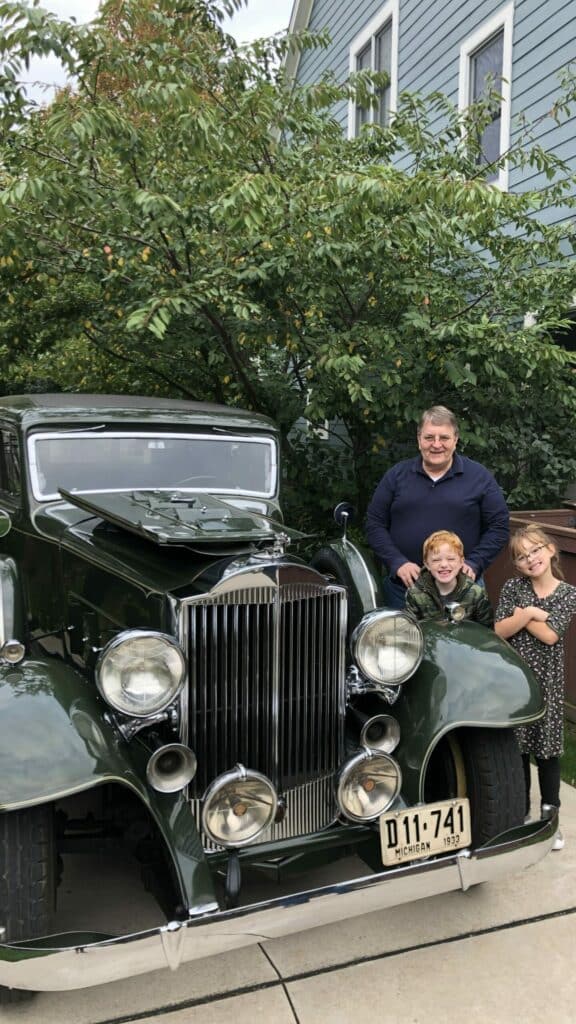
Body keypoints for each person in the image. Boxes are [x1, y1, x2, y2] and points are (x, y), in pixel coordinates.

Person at [366, 405, 509, 608]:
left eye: (444, 438)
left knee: (466, 641)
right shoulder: (396, 476)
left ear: (455, 440)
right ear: (418, 440)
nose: (436, 444)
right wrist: (397, 562)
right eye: (429, 437)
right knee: (403, 641)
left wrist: (474, 562)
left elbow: (499, 526)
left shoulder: (479, 477)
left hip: (463, 592)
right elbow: (374, 524)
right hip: (403, 591)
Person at [494, 526, 576, 851]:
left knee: (547, 753)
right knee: (518, 750)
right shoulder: (514, 587)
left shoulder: (568, 593)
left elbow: (551, 635)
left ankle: (549, 820)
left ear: (551, 550)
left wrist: (521, 618)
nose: (531, 559)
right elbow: (500, 629)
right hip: (515, 685)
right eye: (523, 556)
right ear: (517, 564)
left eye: (536, 550)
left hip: (548, 688)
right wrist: (529, 613)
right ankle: (523, 816)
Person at [406, 530, 494, 625]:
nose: (444, 564)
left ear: (461, 562)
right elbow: (410, 630)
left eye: (451, 559)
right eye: (436, 560)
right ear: (427, 564)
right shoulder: (415, 594)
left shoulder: (476, 594)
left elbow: (487, 631)